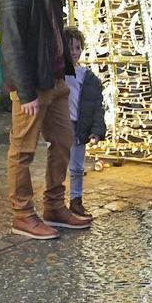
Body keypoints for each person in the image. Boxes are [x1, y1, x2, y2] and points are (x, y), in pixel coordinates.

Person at [0, 0, 87, 239]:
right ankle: (22, 215)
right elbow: (11, 43)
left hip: (56, 79)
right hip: (32, 85)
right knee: (22, 151)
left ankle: (54, 206)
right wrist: (25, 92)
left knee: (63, 141)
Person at [60, 26, 106, 221]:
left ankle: (76, 200)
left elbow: (96, 106)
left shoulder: (87, 77)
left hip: (78, 126)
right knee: (57, 165)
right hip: (60, 125)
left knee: (77, 167)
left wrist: (96, 130)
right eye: (70, 48)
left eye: (77, 48)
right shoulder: (57, 73)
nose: (74, 52)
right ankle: (55, 201)